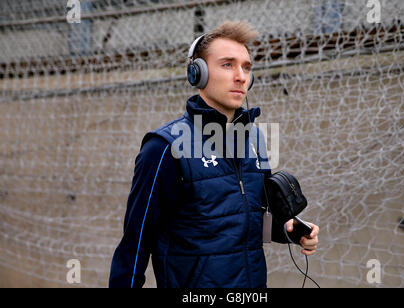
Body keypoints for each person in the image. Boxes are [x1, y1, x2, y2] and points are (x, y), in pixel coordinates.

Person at [109, 21, 319, 288]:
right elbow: (136, 244)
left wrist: (290, 230)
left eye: (246, 67)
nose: (241, 76)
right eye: (227, 64)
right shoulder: (164, 146)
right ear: (198, 74)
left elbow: (254, 220)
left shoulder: (255, 138)